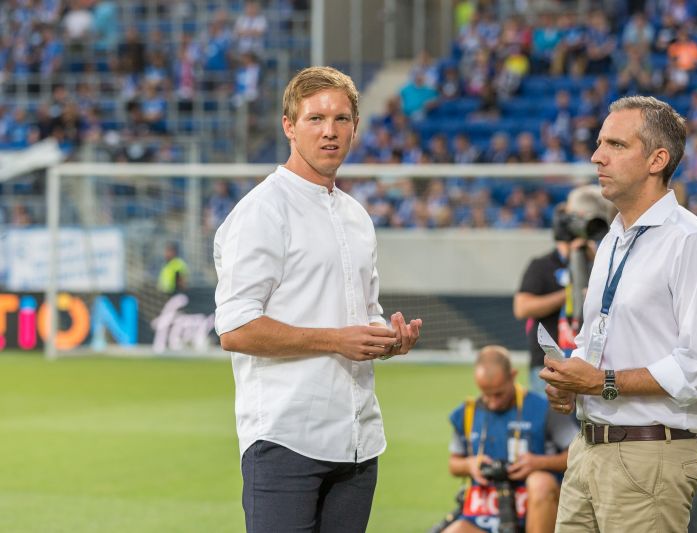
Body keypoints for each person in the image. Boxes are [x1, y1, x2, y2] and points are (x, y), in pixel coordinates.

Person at [213, 66, 423, 533]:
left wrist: (387, 338)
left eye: (342, 119)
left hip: (357, 440)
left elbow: (361, 317)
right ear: (289, 126)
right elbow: (235, 328)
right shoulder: (261, 212)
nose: (330, 131)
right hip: (286, 439)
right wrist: (336, 340)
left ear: (355, 127)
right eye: (316, 118)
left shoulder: (356, 216)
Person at [540, 95, 697, 532]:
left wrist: (603, 383)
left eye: (616, 145)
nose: (596, 156)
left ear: (657, 159)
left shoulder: (692, 242)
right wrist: (573, 381)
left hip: (650, 455)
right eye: (598, 143)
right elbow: (598, 339)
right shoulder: (613, 238)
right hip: (588, 449)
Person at [442, 345, 578, 533]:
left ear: (513, 376)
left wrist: (539, 463)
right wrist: (471, 465)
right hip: (484, 512)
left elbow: (578, 455)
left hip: (534, 509)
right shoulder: (466, 413)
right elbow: (453, 464)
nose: (492, 402)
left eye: (498, 393)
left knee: (540, 482)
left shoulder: (544, 408)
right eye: (485, 393)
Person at [514, 186, 612, 396]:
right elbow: (522, 308)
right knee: (557, 426)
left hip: (592, 364)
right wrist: (569, 293)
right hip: (549, 362)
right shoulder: (542, 265)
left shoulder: (603, 263)